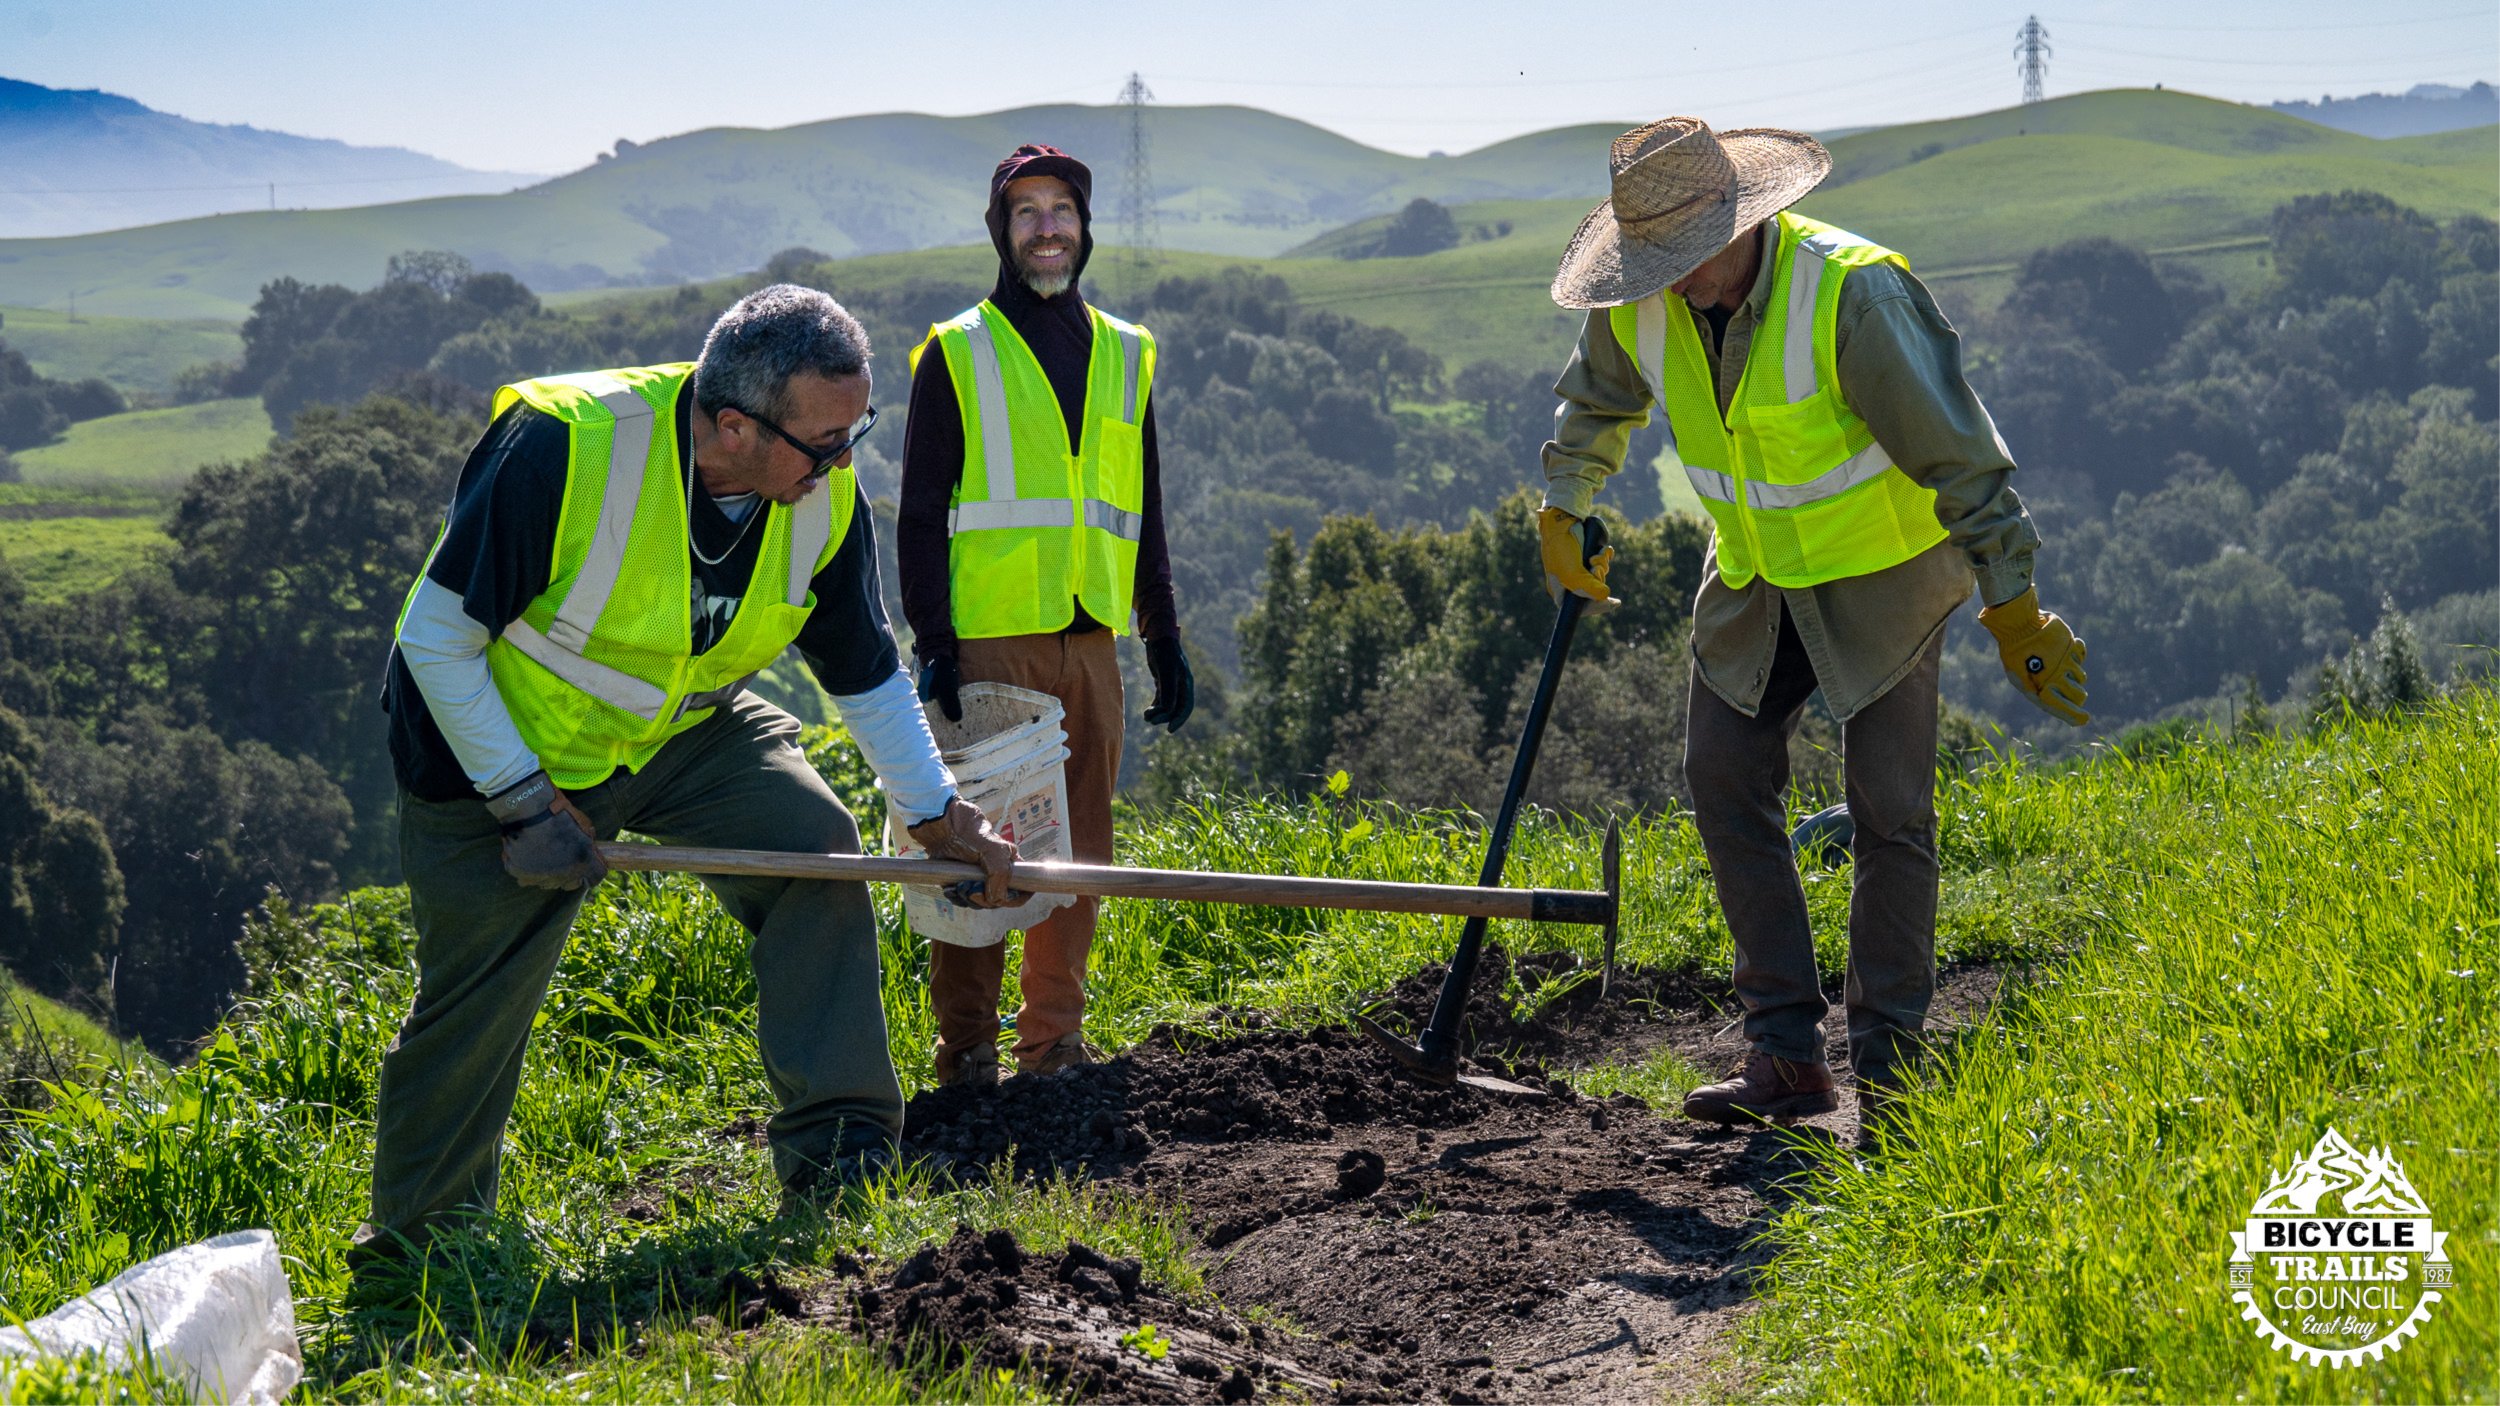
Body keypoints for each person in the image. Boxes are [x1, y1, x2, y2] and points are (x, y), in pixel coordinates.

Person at [361, 285, 1019, 1263]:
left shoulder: (820, 494)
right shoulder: (562, 447)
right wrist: (521, 800)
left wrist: (937, 813)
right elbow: (434, 638)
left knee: (812, 848)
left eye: (855, 431)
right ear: (733, 425)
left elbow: (865, 667)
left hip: (678, 734)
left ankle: (840, 1155)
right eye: (825, 442)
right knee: (475, 998)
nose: (845, 461)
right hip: (492, 756)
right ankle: (420, 1253)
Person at [1534, 118, 2089, 1137]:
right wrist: (1564, 503)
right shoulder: (1643, 296)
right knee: (1721, 776)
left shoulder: (1852, 294)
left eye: (1691, 256)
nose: (1677, 281)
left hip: (1884, 576)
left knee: (1889, 813)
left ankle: (1893, 1075)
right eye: (1657, 263)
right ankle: (1786, 1055)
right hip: (1754, 576)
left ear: (1743, 218)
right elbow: (1595, 403)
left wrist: (2012, 605)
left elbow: (1964, 460)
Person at [897, 143, 1193, 1087]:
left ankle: (1053, 1043)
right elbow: (919, 511)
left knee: (1082, 852)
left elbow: (1142, 503)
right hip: (988, 642)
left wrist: (1162, 632)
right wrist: (934, 642)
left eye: (1060, 208)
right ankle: (967, 1052)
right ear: (1002, 231)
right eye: (1025, 212)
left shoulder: (1128, 353)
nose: (1046, 228)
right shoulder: (957, 351)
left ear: (1084, 225)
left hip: (1091, 639)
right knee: (981, 848)